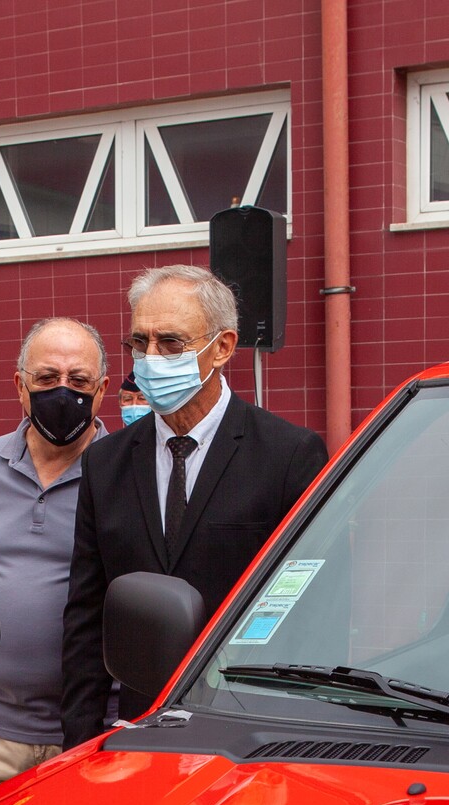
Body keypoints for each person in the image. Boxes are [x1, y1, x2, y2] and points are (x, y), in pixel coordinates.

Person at [60, 265, 328, 747]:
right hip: (141, 727)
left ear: (222, 347)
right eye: (139, 342)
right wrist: (82, 740)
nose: (150, 359)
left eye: (171, 343)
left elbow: (313, 615)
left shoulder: (288, 455)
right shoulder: (106, 463)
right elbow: (86, 615)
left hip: (250, 730)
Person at [0, 317, 111, 795]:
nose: (63, 392)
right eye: (46, 378)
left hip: (96, 731)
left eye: (79, 381)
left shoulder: (125, 473)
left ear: (102, 390)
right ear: (20, 386)